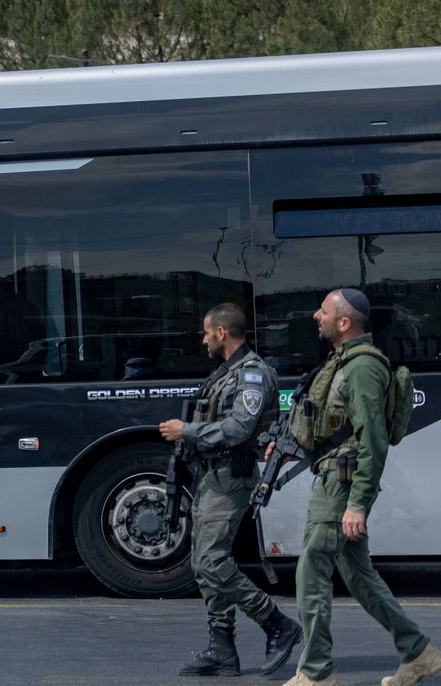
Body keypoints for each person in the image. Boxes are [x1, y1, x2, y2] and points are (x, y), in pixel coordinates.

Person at [272, 289, 441, 686]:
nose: (316, 316)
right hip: (333, 477)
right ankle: (419, 653)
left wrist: (358, 505)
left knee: (311, 570)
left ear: (344, 323)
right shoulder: (342, 361)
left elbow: (373, 440)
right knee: (360, 577)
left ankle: (316, 671)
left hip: (342, 486)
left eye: (324, 312)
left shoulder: (363, 367)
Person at [158, 303, 301, 677]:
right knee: (202, 565)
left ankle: (277, 624)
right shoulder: (227, 373)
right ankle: (221, 649)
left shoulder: (252, 375)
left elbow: (238, 429)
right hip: (211, 478)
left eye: (206, 333)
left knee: (211, 562)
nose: (203, 340)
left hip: (231, 479)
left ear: (222, 333)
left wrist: (185, 431)